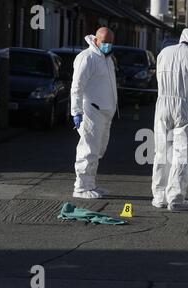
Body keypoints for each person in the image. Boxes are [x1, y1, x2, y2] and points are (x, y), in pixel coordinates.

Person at [151, 28, 188, 211]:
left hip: (162, 104)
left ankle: (159, 196)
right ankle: (175, 198)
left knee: (161, 151)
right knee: (181, 152)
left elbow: (158, 77)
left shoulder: (164, 52)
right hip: (185, 106)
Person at [71, 27, 117, 199]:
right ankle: (81, 187)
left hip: (105, 113)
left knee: (98, 150)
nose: (107, 45)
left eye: (110, 42)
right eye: (104, 42)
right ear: (96, 40)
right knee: (88, 149)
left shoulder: (107, 59)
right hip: (91, 110)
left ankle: (90, 184)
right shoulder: (87, 58)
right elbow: (77, 86)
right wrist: (76, 112)